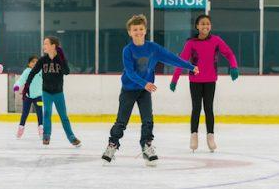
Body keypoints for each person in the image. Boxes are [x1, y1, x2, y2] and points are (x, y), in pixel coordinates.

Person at [101, 14, 199, 166]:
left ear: (145, 30)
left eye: (141, 29)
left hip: (144, 91)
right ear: (130, 32)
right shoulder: (127, 50)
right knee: (121, 121)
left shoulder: (153, 48)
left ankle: (146, 146)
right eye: (135, 30)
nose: (138, 32)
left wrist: (191, 67)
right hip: (129, 89)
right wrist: (144, 83)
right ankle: (112, 145)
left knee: (148, 120)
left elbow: (172, 58)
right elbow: (130, 73)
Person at [170, 14, 238, 152]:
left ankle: (210, 136)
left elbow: (229, 53)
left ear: (210, 26)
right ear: (197, 26)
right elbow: (181, 61)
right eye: (202, 24)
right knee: (196, 108)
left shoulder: (216, 40)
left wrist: (234, 66)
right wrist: (174, 79)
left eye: (207, 23)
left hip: (210, 80)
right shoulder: (191, 43)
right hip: (195, 80)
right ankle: (193, 135)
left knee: (208, 108)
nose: (205, 26)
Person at [23, 36, 81, 147]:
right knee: (47, 113)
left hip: (58, 93)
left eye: (46, 43)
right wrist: (27, 85)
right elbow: (33, 72)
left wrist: (62, 59)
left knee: (63, 116)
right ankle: (46, 136)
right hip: (46, 92)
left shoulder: (60, 59)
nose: (43, 46)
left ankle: (71, 137)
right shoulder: (42, 60)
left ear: (53, 46)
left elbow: (67, 72)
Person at [13, 55, 44, 139]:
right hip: (28, 96)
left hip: (38, 96)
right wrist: (17, 86)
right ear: (29, 64)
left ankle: (41, 129)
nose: (34, 63)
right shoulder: (27, 71)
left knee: (40, 112)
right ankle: (21, 128)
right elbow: (21, 80)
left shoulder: (41, 71)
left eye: (36, 62)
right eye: (32, 62)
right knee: (25, 113)